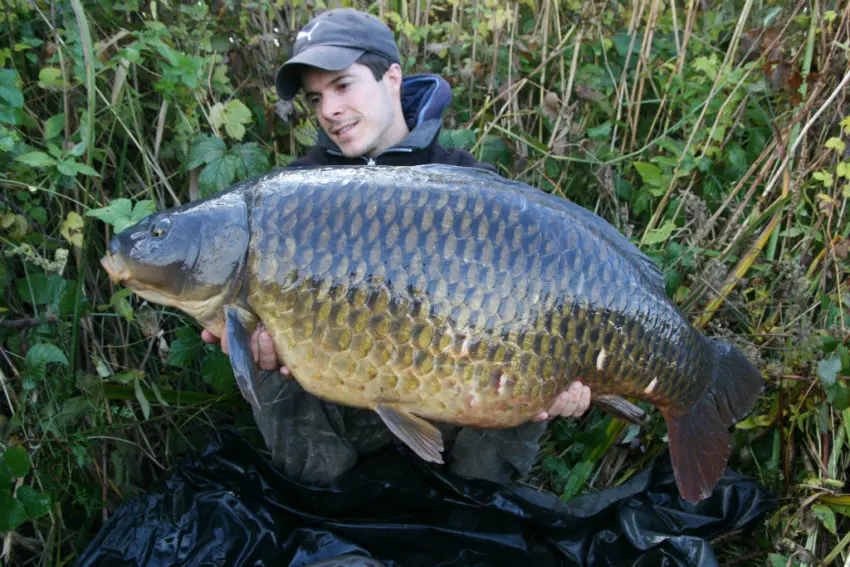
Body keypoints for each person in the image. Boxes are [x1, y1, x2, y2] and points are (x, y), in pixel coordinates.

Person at [202, 7, 592, 486]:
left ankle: (476, 511)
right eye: (316, 98)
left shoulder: (471, 185)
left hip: (458, 397)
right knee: (263, 350)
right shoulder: (294, 197)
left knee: (532, 379)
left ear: (391, 78)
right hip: (345, 407)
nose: (329, 111)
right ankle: (330, 523)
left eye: (343, 86)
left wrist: (560, 383)